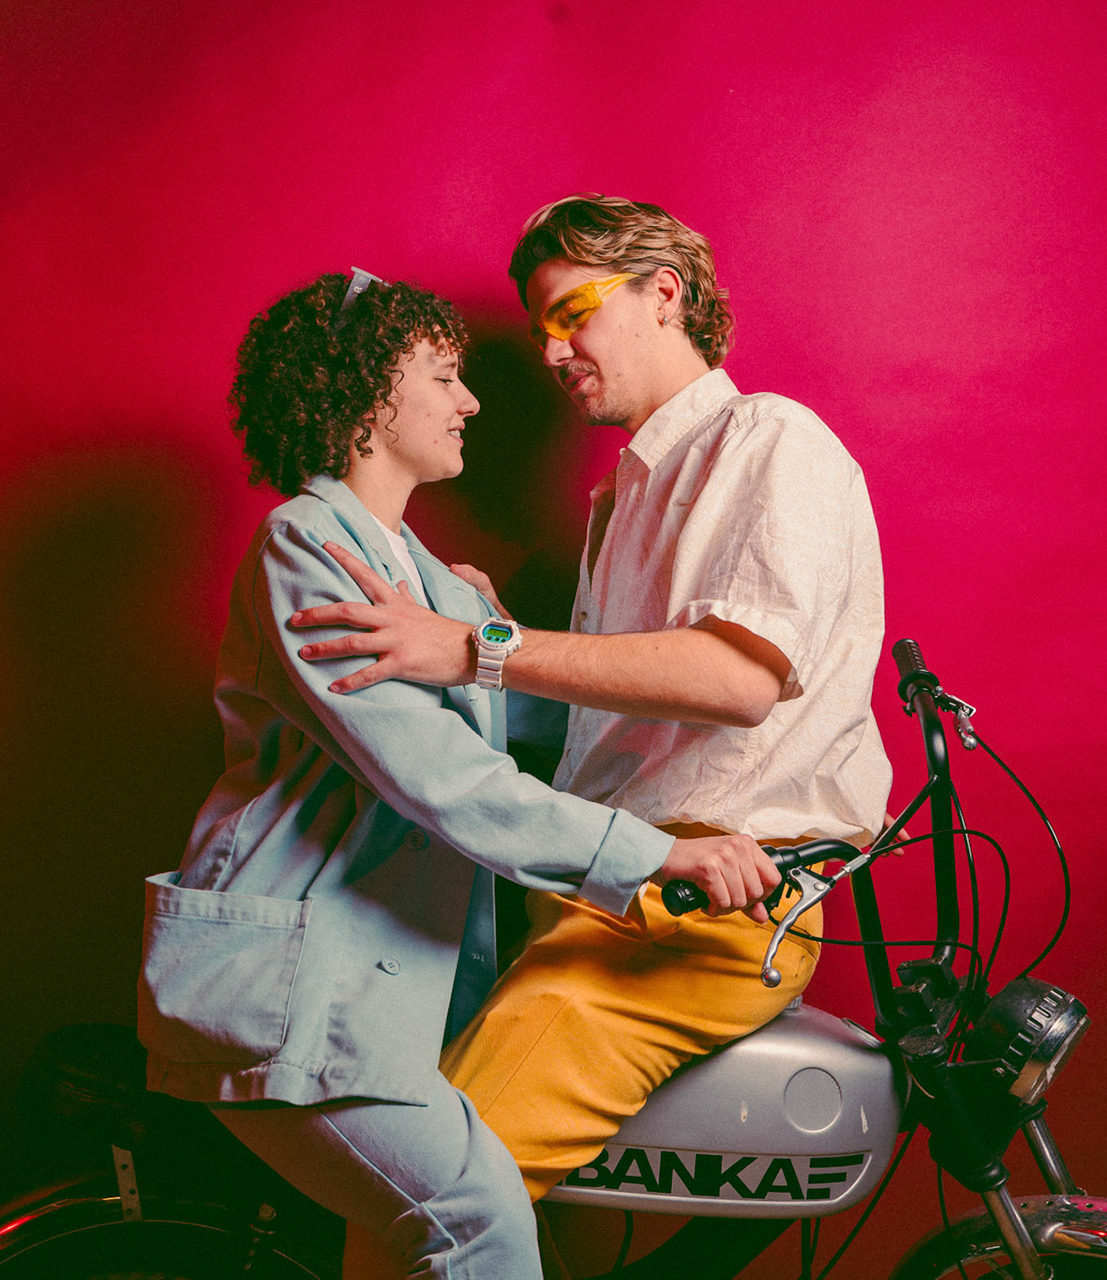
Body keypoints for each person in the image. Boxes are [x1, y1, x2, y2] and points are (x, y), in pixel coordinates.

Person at [137, 269, 781, 1279]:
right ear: (366, 397)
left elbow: (543, 723)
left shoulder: (430, 580)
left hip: (382, 994)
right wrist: (657, 857)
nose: (472, 401)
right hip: (297, 992)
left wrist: (727, 725)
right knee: (475, 1219)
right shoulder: (304, 544)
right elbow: (442, 774)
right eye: (444, 376)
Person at [291, 196, 894, 1213]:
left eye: (573, 313)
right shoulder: (625, 496)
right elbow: (619, 731)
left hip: (699, 916)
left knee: (432, 1202)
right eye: (541, 331)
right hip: (603, 900)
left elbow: (739, 681)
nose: (553, 351)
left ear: (665, 293)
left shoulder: (768, 438)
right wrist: (473, 647)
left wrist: (479, 648)